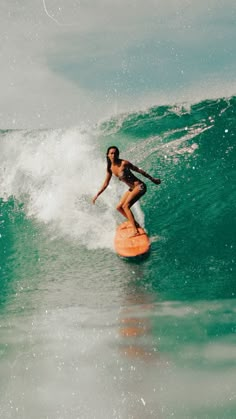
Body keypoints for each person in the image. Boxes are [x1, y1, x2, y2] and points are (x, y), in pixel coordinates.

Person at [92, 146, 161, 236]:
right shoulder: (110, 169)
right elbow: (105, 184)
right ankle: (135, 224)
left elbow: (139, 170)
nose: (114, 155)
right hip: (132, 189)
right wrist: (97, 195)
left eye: (115, 153)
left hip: (140, 186)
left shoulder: (124, 163)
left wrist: (153, 179)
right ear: (108, 155)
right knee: (119, 207)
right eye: (111, 153)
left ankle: (135, 231)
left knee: (126, 206)